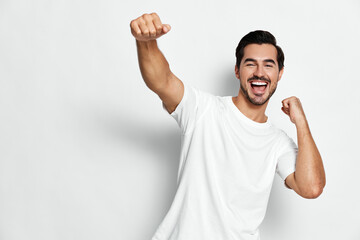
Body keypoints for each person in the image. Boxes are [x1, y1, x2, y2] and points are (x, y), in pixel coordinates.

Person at [130, 12, 326, 240]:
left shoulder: (278, 142)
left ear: (279, 74)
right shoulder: (203, 110)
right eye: (250, 64)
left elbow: (311, 188)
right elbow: (161, 81)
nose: (259, 73)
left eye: (268, 65)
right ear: (237, 70)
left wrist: (301, 122)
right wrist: (146, 43)